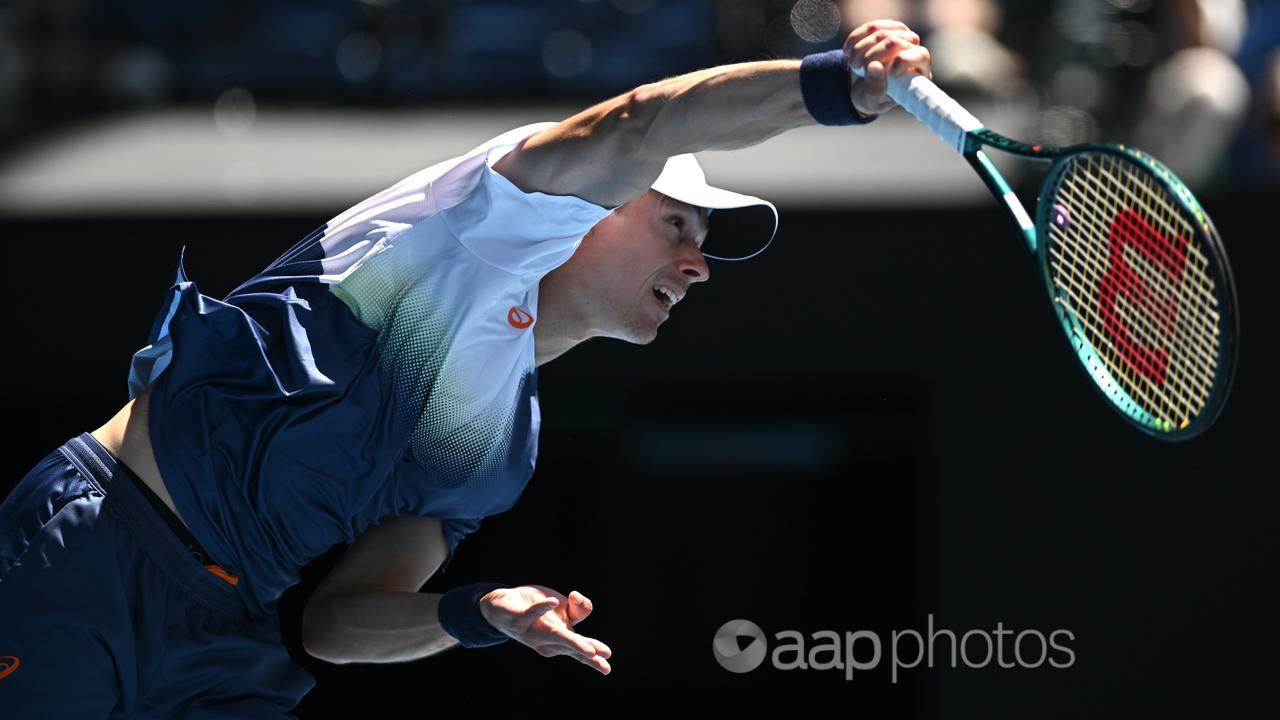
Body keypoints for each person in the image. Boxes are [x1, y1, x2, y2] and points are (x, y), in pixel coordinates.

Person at [0, 19, 932, 717]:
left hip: (231, 640)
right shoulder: (476, 224)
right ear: (592, 207)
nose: (696, 263)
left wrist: (476, 612)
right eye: (677, 226)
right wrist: (834, 86)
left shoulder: (499, 452)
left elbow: (336, 623)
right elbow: (646, 120)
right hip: (101, 545)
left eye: (704, 245)